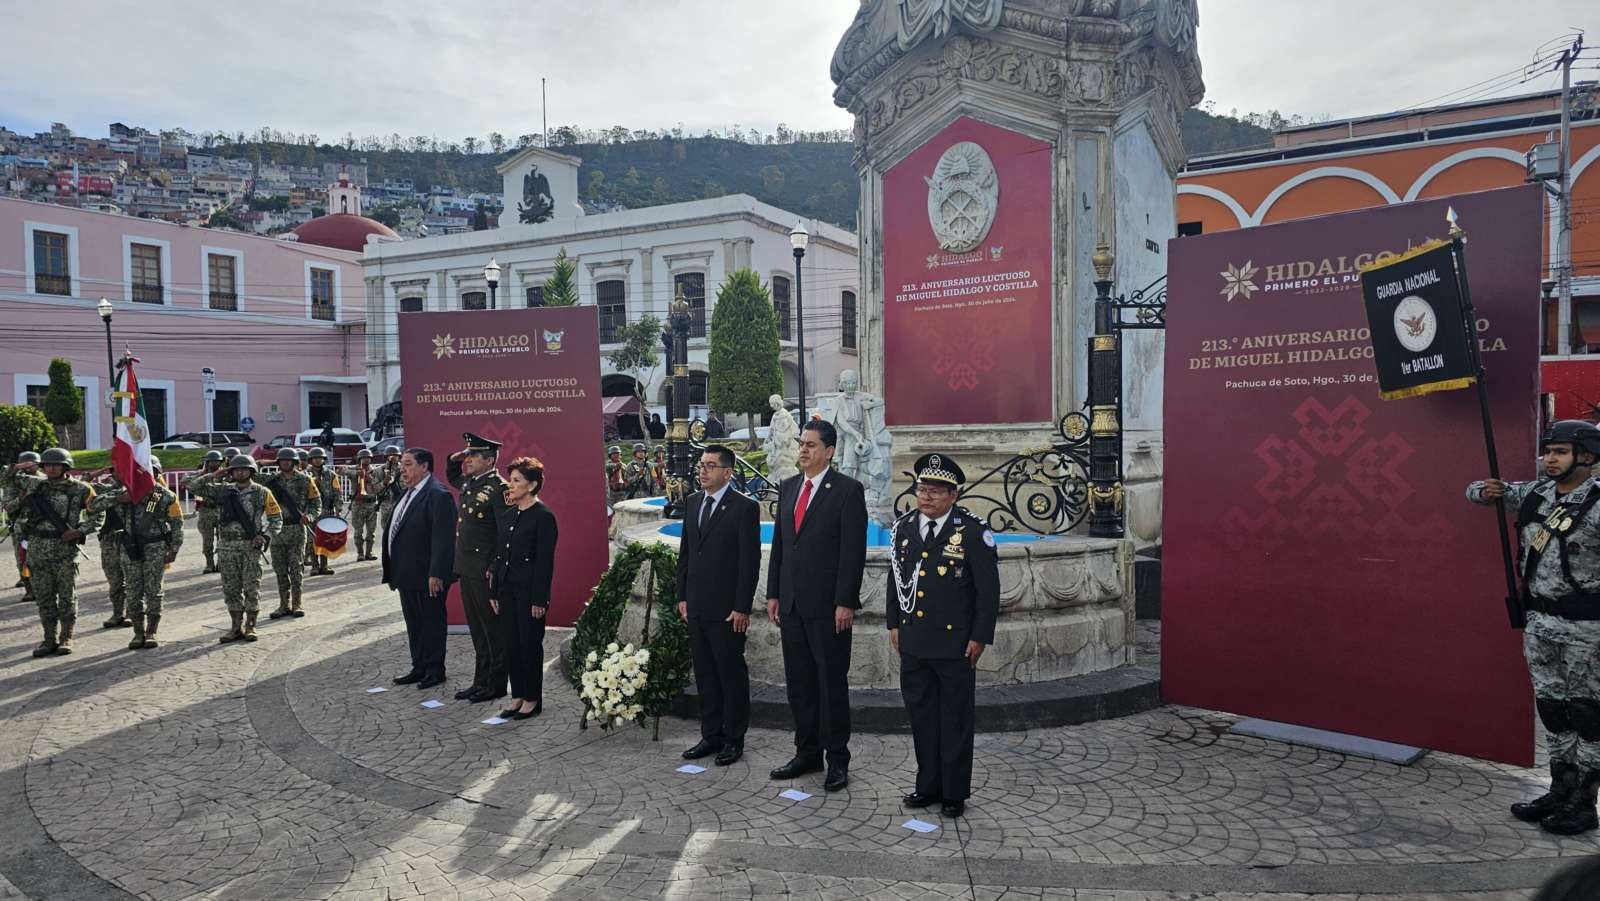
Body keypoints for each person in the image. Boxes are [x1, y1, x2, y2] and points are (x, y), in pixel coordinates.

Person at [1468, 419, 1600, 836]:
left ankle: (1585, 800)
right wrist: (1484, 489)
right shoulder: (1536, 494)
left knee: (1588, 713)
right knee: (1553, 708)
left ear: (1587, 456)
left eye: (1560, 451)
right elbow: (1477, 493)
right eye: (1548, 452)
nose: (1550, 459)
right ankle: (1559, 789)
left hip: (1587, 625)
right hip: (1540, 621)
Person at [886, 454, 999, 819]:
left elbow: (987, 591)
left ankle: (954, 791)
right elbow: (895, 579)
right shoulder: (903, 527)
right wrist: (893, 623)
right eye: (922, 489)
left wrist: (980, 636)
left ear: (954, 495)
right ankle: (927, 785)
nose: (926, 497)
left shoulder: (972, 531)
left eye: (936, 491)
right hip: (914, 641)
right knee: (921, 717)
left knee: (954, 719)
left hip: (955, 644)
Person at [766, 420, 868, 791]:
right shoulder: (789, 487)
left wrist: (845, 601)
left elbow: (852, 552)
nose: (803, 450)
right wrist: (774, 592)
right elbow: (781, 545)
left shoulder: (847, 491)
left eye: (811, 445)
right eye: (801, 443)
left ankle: (836, 759)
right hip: (791, 605)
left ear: (829, 451)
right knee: (800, 685)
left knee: (830, 685)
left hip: (828, 608)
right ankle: (806, 752)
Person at [676, 444, 760, 765]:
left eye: (710, 466)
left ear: (727, 472)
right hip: (696, 607)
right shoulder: (693, 502)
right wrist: (682, 596)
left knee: (730, 674)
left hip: (727, 611)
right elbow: (686, 554)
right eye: (701, 465)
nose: (702, 470)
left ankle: (733, 739)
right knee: (705, 675)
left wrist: (741, 607)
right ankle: (710, 735)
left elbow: (748, 564)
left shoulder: (744, 508)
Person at [3, 448, 100, 656]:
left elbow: (98, 515)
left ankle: (66, 637)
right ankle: (49, 638)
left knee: (67, 597)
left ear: (66, 467)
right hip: (38, 549)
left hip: (65, 551)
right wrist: (21, 467)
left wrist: (79, 531)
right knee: (44, 598)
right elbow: (6, 477)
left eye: (56, 464)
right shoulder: (35, 484)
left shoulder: (81, 489)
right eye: (47, 464)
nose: (51, 468)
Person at [488, 456, 558, 720]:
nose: (510, 485)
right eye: (511, 480)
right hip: (506, 592)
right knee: (511, 645)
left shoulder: (544, 517)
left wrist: (540, 599)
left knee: (529, 646)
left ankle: (532, 699)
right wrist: (494, 591)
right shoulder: (508, 515)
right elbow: (499, 558)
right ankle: (517, 696)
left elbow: (544, 564)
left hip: (530, 595)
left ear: (531, 485)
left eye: (516, 481)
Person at [382, 448, 457, 690]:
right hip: (407, 574)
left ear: (424, 467)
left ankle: (435, 669)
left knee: (431, 622)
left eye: (408, 464)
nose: (402, 469)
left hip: (427, 576)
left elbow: (443, 539)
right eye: (402, 464)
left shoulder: (438, 495)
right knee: (415, 623)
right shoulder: (408, 492)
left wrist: (436, 573)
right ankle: (419, 667)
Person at [185, 454, 280, 643]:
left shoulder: (261, 492)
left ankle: (251, 625)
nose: (240, 472)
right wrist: (214, 475)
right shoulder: (223, 491)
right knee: (231, 588)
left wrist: (266, 535)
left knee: (252, 587)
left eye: (244, 469)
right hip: (226, 547)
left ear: (252, 471)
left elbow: (276, 518)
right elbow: (191, 485)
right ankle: (235, 626)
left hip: (249, 546)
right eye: (236, 469)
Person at [92, 455, 184, 650]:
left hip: (154, 548)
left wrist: (174, 549)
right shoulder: (125, 493)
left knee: (153, 591)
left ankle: (151, 631)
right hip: (130, 548)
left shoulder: (164, 495)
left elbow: (177, 524)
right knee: (133, 593)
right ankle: (137, 633)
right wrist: (120, 498)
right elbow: (94, 504)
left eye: (150, 473)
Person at [447, 433, 510, 703]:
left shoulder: (499, 488)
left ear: (489, 460)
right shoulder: (472, 483)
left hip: (485, 570)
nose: (468, 459)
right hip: (467, 567)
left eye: (473, 456)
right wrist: (453, 460)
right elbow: (453, 477)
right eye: (467, 455)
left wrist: (495, 565)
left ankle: (495, 685)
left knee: (492, 629)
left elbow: (506, 533)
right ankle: (480, 681)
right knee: (477, 628)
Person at [266, 447, 319, 620]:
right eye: (282, 460)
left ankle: (297, 603)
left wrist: (310, 516)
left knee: (297, 569)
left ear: (295, 462)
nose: (285, 463)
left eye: (289, 460)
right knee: (280, 570)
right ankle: (283, 604)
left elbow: (315, 502)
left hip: (297, 530)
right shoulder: (272, 481)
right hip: (278, 531)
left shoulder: (305, 480)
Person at [93, 469, 131, 630]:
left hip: (130, 541)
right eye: (115, 471)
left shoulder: (141, 490)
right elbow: (93, 501)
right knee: (114, 580)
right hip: (109, 541)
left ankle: (132, 612)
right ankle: (117, 613)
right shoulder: (105, 490)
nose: (118, 474)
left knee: (132, 580)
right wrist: (118, 498)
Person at [4, 450, 41, 604]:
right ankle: (29, 590)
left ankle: (43, 587)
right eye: (26, 465)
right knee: (23, 560)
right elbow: (8, 507)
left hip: (42, 525)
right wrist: (20, 499)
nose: (30, 468)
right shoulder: (13, 483)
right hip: (21, 527)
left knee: (43, 559)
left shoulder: (44, 480)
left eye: (33, 465)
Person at [305, 447, 342, 575]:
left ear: (323, 459)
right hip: (311, 512)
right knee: (312, 540)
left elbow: (337, 492)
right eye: (315, 458)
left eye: (320, 458)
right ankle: (314, 566)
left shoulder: (331, 474)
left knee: (326, 539)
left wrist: (339, 508)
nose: (317, 460)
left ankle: (324, 566)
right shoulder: (305, 474)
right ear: (311, 460)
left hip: (327, 511)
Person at [346, 448, 380, 560]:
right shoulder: (354, 469)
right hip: (358, 504)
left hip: (371, 504)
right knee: (358, 532)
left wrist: (370, 479)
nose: (366, 460)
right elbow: (343, 471)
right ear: (359, 459)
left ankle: (369, 552)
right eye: (364, 458)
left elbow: (378, 488)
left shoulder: (375, 471)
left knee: (371, 531)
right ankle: (360, 553)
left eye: (368, 458)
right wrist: (357, 473)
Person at [193, 449, 224, 573]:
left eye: (216, 461)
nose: (213, 464)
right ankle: (209, 564)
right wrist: (204, 473)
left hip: (222, 510)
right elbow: (186, 482)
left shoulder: (227, 474)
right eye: (210, 462)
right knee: (207, 541)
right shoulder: (202, 476)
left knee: (223, 540)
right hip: (206, 510)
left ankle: (221, 563)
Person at [377, 444, 404, 533]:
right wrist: (384, 482)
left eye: (395, 455)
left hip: (402, 503)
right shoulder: (379, 470)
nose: (392, 457)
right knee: (387, 531)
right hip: (386, 504)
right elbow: (375, 489)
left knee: (402, 531)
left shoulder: (405, 469)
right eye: (390, 455)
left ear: (399, 456)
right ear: (386, 456)